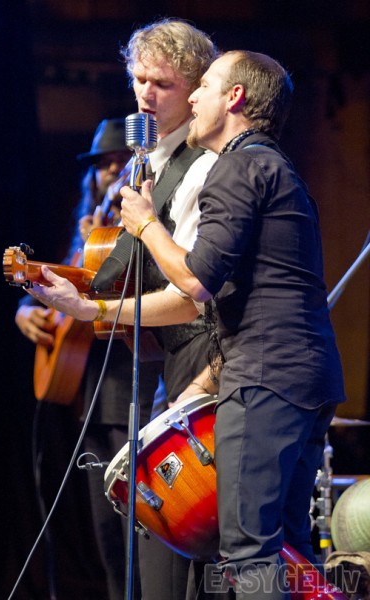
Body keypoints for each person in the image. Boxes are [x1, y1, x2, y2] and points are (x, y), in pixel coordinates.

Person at [116, 50, 347, 598]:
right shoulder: (276, 167)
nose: (194, 97)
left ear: (235, 97)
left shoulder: (238, 165)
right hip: (310, 378)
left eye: (205, 86)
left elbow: (197, 279)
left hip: (266, 377)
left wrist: (146, 225)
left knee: (249, 551)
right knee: (288, 545)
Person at [23, 18, 224, 600]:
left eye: (160, 83)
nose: (144, 93)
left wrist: (95, 309)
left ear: (195, 88)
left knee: (181, 559)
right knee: (131, 551)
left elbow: (193, 288)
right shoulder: (145, 167)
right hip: (149, 374)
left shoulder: (204, 165)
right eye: (138, 80)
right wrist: (46, 298)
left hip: (191, 368)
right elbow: (105, 278)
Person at [15, 117, 159, 600]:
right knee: (107, 541)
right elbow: (55, 292)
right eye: (103, 165)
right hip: (90, 399)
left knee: (140, 537)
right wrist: (24, 310)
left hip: (134, 394)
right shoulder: (86, 234)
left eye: (120, 161)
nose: (112, 171)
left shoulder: (146, 232)